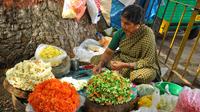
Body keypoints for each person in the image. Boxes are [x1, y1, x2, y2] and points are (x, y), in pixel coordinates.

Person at [91, 4, 161, 84]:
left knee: (145, 75)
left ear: (138, 24)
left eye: (127, 23)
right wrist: (100, 64)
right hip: (122, 59)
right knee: (95, 59)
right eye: (122, 21)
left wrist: (125, 65)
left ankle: (124, 73)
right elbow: (109, 52)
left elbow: (148, 61)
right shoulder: (121, 33)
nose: (123, 26)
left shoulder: (147, 34)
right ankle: (122, 73)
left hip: (140, 65)